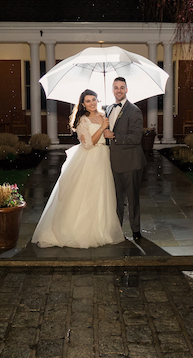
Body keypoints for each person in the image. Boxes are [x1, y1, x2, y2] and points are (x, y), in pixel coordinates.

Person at [31, 89, 125, 248]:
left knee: (102, 193)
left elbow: (106, 136)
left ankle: (101, 228)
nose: (92, 103)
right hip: (90, 158)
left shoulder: (103, 116)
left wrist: (108, 130)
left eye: (94, 99)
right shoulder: (82, 120)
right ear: (82, 104)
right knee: (87, 193)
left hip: (103, 156)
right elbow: (88, 144)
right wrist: (102, 128)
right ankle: (79, 230)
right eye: (88, 101)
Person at [103, 77, 146, 241]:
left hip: (131, 162)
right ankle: (117, 229)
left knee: (132, 198)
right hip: (112, 162)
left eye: (122, 87)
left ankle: (136, 230)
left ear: (126, 90)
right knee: (116, 200)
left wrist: (114, 135)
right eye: (116, 87)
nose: (119, 90)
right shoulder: (108, 109)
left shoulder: (134, 110)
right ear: (112, 90)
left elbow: (136, 138)